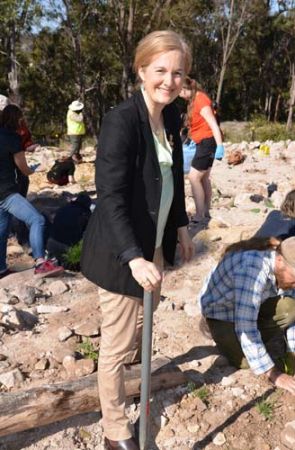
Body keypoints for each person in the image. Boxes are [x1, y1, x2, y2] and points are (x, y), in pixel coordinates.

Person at [81, 30, 194, 450]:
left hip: (155, 246)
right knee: (117, 344)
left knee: (142, 329)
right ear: (142, 69)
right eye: (160, 70)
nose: (169, 80)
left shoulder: (169, 117)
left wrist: (180, 226)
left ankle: (137, 387)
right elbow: (108, 196)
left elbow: (173, 179)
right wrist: (132, 256)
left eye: (178, 73)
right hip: (121, 253)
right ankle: (115, 430)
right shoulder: (121, 120)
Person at [200, 236, 295, 395]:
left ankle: (257, 339)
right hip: (222, 313)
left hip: (249, 304)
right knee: (245, 362)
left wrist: (293, 353)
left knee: (290, 307)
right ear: (279, 261)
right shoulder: (252, 270)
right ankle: (210, 327)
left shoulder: (286, 268)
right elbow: (246, 326)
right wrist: (274, 374)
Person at [0, 104, 64, 279]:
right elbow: (22, 168)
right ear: (17, 119)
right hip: (7, 193)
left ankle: (1, 269)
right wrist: (33, 169)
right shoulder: (12, 138)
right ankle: (40, 263)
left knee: (2, 232)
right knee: (37, 220)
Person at [179, 77, 224, 223]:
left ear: (186, 89)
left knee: (194, 177)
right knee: (203, 177)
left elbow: (213, 124)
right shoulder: (193, 101)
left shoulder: (200, 100)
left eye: (180, 91)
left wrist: (220, 145)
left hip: (208, 142)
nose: (179, 95)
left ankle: (199, 214)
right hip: (202, 142)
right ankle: (205, 211)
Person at [47, 193, 92, 261]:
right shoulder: (85, 213)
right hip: (67, 248)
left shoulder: (65, 207)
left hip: (51, 243)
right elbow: (90, 231)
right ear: (88, 204)